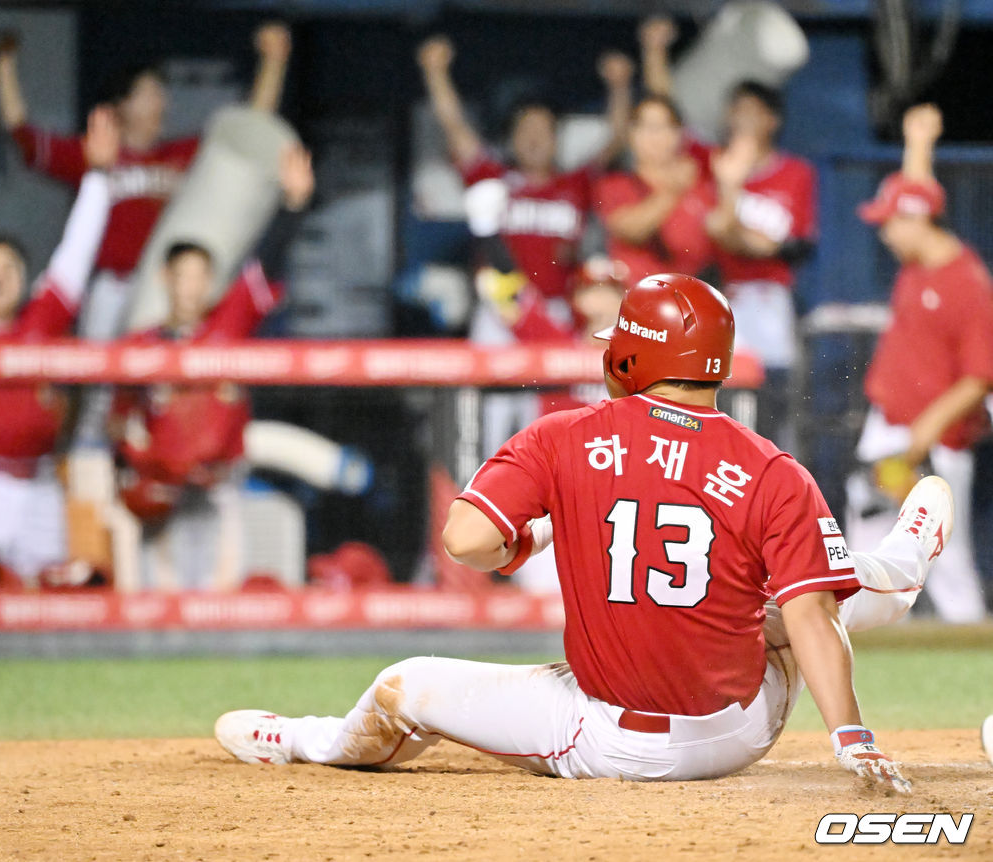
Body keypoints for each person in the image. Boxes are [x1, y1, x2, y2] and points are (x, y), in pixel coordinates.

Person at [215, 273, 950, 793]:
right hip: (742, 731)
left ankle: (304, 742)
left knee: (399, 685)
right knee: (806, 597)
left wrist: (524, 541)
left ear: (631, 356)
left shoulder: (568, 435)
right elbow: (813, 619)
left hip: (613, 740)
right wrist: (852, 740)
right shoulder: (769, 466)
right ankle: (905, 558)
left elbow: (466, 542)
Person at [0, 22, 292, 338]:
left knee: (162, 376)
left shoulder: (182, 153)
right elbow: (22, 134)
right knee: (102, 379)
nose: (162, 102)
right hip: (111, 286)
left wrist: (274, 63)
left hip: (164, 288)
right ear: (122, 104)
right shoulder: (95, 151)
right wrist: (3, 65)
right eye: (150, 93)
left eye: (162, 94)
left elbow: (250, 128)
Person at [109, 144, 314, 590]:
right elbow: (118, 420)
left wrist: (292, 206)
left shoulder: (228, 321)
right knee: (162, 599)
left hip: (221, 486)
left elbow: (267, 263)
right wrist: (133, 469)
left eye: (203, 275)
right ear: (166, 278)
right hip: (166, 492)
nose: (193, 285)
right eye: (184, 274)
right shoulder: (139, 345)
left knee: (220, 597)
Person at [417, 35, 633, 456]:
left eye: (543, 130)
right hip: (500, 310)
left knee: (544, 414)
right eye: (525, 130)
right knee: (484, 414)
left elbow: (617, 138)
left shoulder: (574, 183)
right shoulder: (494, 178)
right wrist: (435, 72)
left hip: (554, 313)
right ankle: (477, 491)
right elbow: (456, 130)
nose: (534, 138)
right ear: (512, 138)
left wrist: (620, 86)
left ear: (557, 138)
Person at [850, 103, 992, 623]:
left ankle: (979, 678)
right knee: (865, 553)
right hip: (888, 427)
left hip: (932, 443)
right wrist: (918, 145)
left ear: (916, 220)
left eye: (891, 221)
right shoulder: (919, 258)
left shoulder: (967, 284)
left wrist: (917, 444)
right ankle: (870, 656)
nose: (884, 231)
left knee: (946, 564)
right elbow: (917, 195)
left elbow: (981, 377)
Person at [0, 109, 117, 590]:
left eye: (8, 267)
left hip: (37, 484)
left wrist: (97, 177)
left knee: (54, 611)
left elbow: (77, 252)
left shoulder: (41, 318)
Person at [702, 82, 817, 448]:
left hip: (772, 300)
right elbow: (717, 231)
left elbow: (783, 245)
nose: (744, 120)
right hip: (723, 298)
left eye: (754, 111)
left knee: (776, 408)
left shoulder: (795, 172)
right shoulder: (714, 165)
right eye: (738, 110)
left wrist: (738, 230)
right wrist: (730, 188)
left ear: (772, 120)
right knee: (721, 407)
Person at [594, 93, 714, 287]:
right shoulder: (615, 184)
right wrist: (672, 190)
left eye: (664, 127)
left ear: (679, 134)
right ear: (631, 134)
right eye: (647, 127)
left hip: (691, 298)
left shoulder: (701, 185)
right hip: (637, 296)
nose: (656, 136)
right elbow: (630, 230)